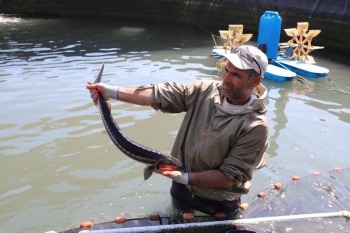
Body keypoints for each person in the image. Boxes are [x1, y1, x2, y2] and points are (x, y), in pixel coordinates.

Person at [86, 45, 269, 216]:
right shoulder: (206, 91)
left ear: (255, 81)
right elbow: (163, 94)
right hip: (181, 189)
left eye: (236, 75)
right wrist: (112, 92)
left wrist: (186, 177)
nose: (226, 79)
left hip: (218, 202)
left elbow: (229, 175)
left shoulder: (255, 126)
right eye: (226, 70)